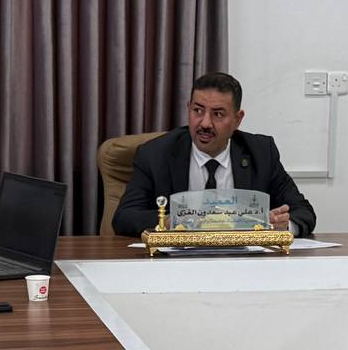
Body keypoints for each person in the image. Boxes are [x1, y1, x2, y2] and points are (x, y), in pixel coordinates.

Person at [111, 71, 317, 237]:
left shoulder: (261, 153)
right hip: (177, 263)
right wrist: (169, 222)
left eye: (217, 114)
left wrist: (284, 225)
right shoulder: (155, 154)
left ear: (237, 119)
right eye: (198, 111)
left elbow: (303, 211)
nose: (205, 123)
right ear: (188, 109)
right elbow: (124, 218)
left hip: (242, 263)